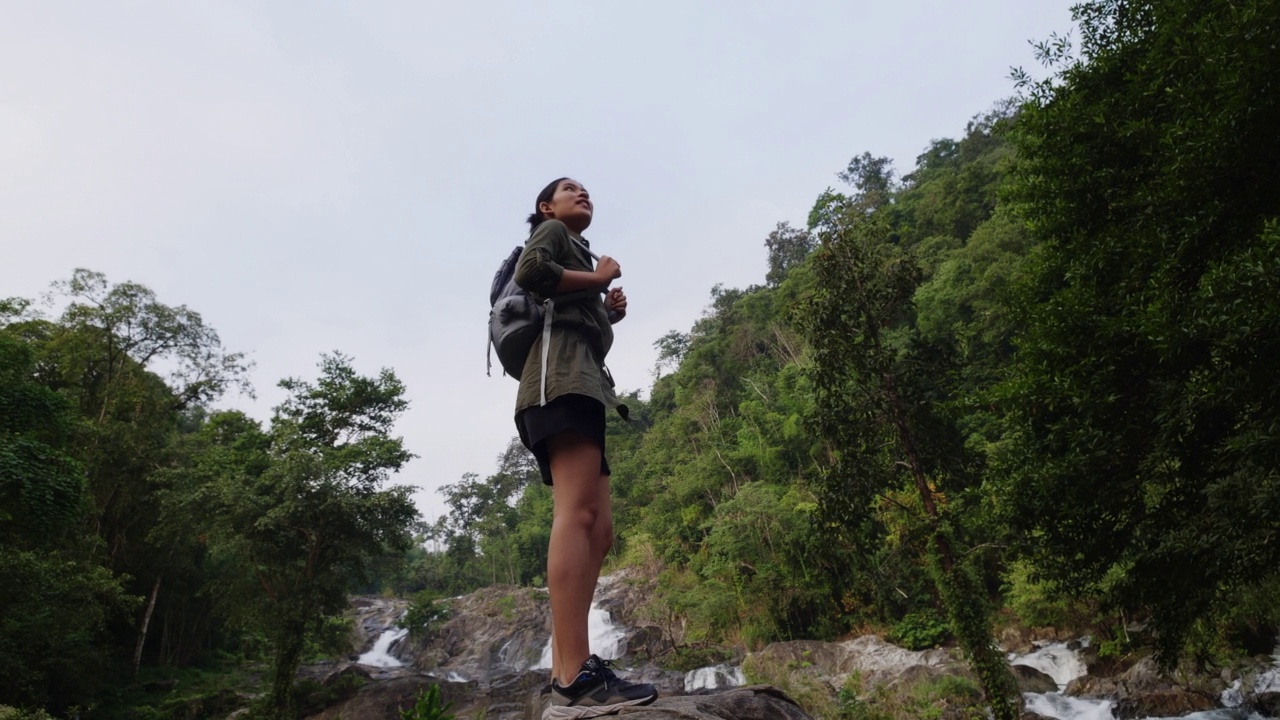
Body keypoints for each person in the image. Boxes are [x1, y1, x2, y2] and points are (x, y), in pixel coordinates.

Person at [513, 178, 658, 719]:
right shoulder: (552, 232)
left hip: (585, 385)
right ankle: (573, 680)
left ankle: (565, 673)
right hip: (559, 385)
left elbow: (576, 321)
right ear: (547, 207)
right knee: (577, 516)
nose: (585, 194)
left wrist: (608, 310)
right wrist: (597, 279)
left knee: (600, 528)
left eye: (588, 190)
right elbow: (532, 275)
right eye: (571, 189)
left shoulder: (579, 255)